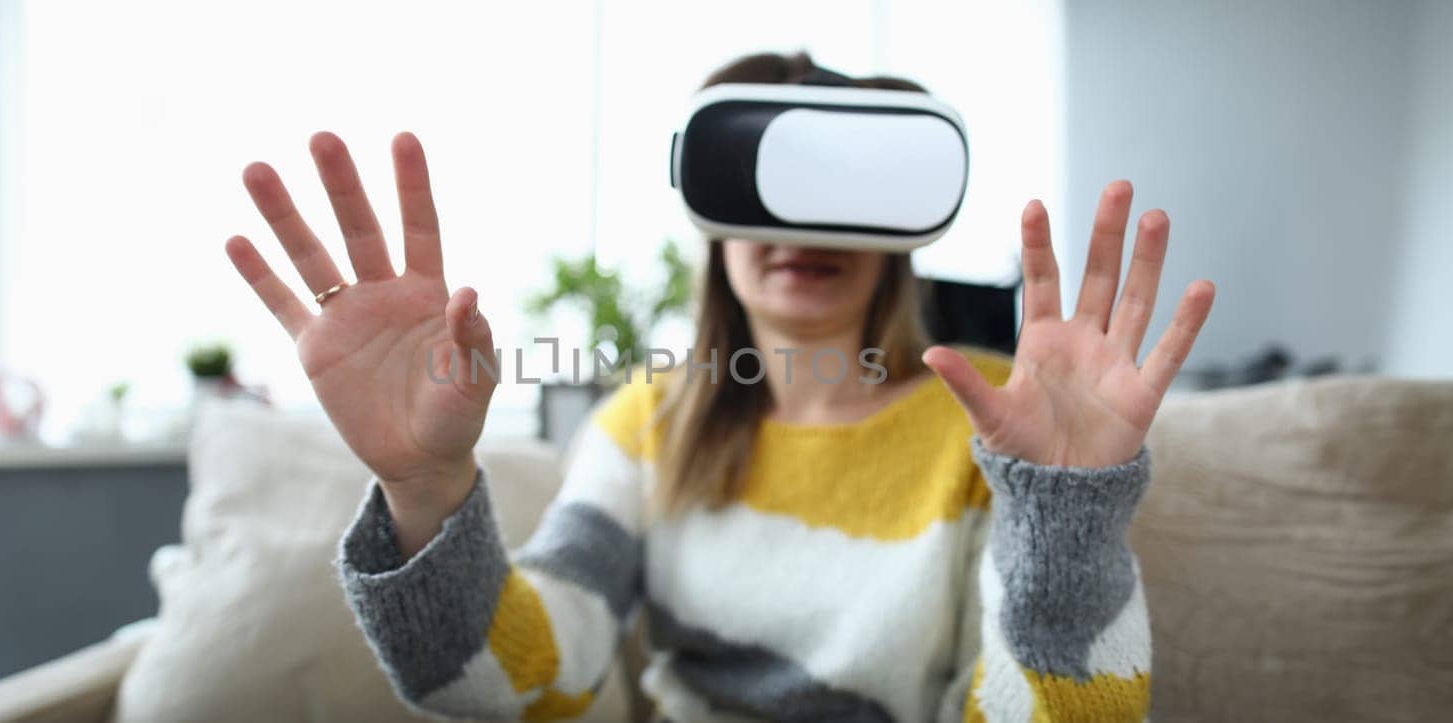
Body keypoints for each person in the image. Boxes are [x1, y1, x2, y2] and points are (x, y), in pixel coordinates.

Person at [224, 51, 1215, 723]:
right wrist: (425, 490)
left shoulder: (1008, 425)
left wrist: (1069, 522)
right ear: (708, 215)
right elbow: (518, 684)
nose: (800, 228)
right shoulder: (644, 422)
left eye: (842, 187)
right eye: (758, 180)